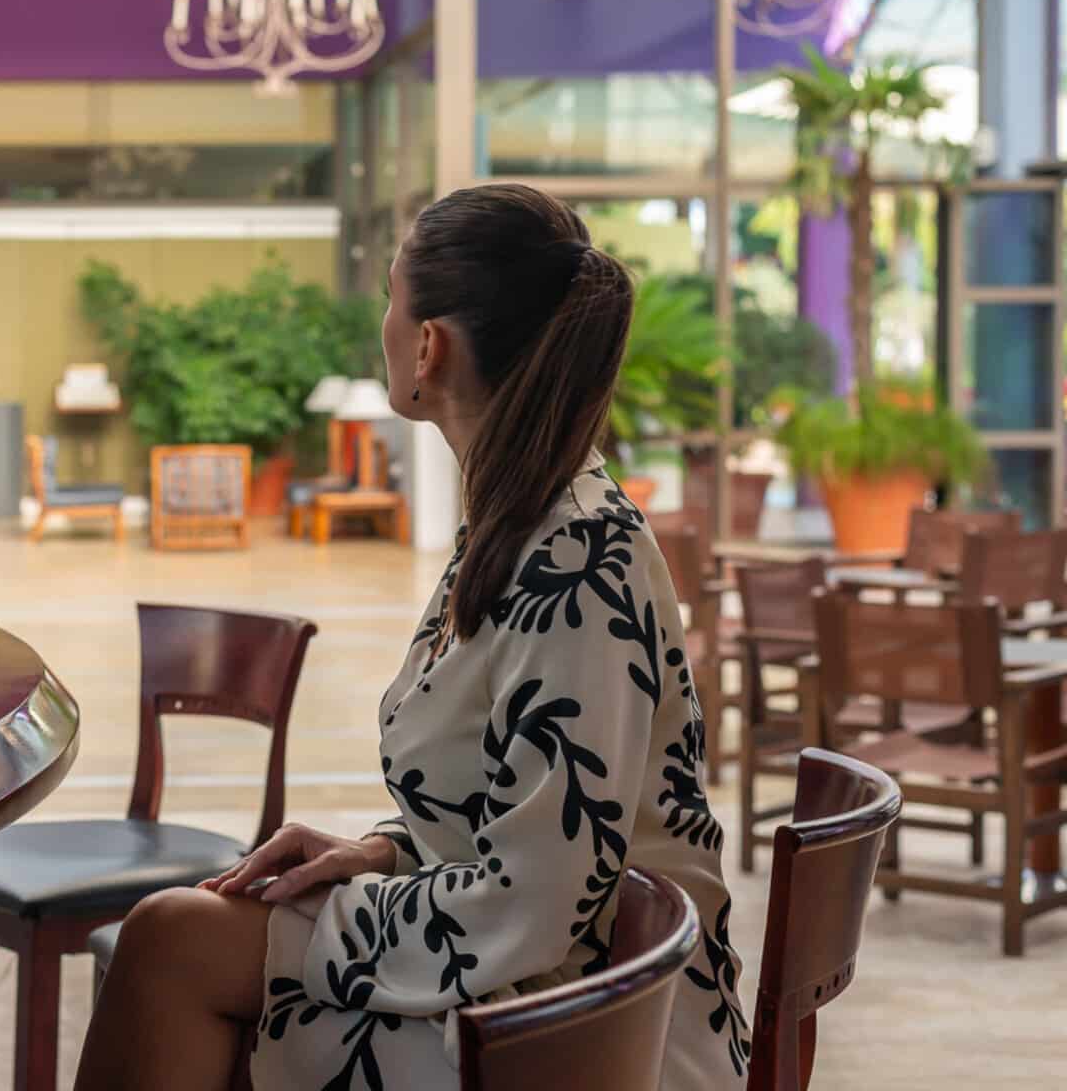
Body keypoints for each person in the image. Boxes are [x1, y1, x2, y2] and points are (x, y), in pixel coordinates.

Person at [76, 183, 747, 1091]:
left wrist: (351, 909)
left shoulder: (577, 560)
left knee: (171, 944)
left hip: (582, 1027)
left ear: (427, 344)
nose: (384, 324)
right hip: (527, 971)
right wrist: (383, 852)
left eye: (391, 300)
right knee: (183, 938)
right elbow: (518, 812)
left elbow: (543, 898)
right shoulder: (521, 521)